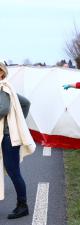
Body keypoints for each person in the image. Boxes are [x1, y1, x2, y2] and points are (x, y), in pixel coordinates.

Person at [0, 61, 36, 219]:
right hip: (7, 136)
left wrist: (16, 122)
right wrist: (19, 120)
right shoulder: (8, 86)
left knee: (13, 171)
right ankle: (22, 205)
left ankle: (23, 206)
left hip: (8, 138)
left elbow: (3, 108)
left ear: (2, 72)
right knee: (12, 171)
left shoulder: (3, 87)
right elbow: (26, 103)